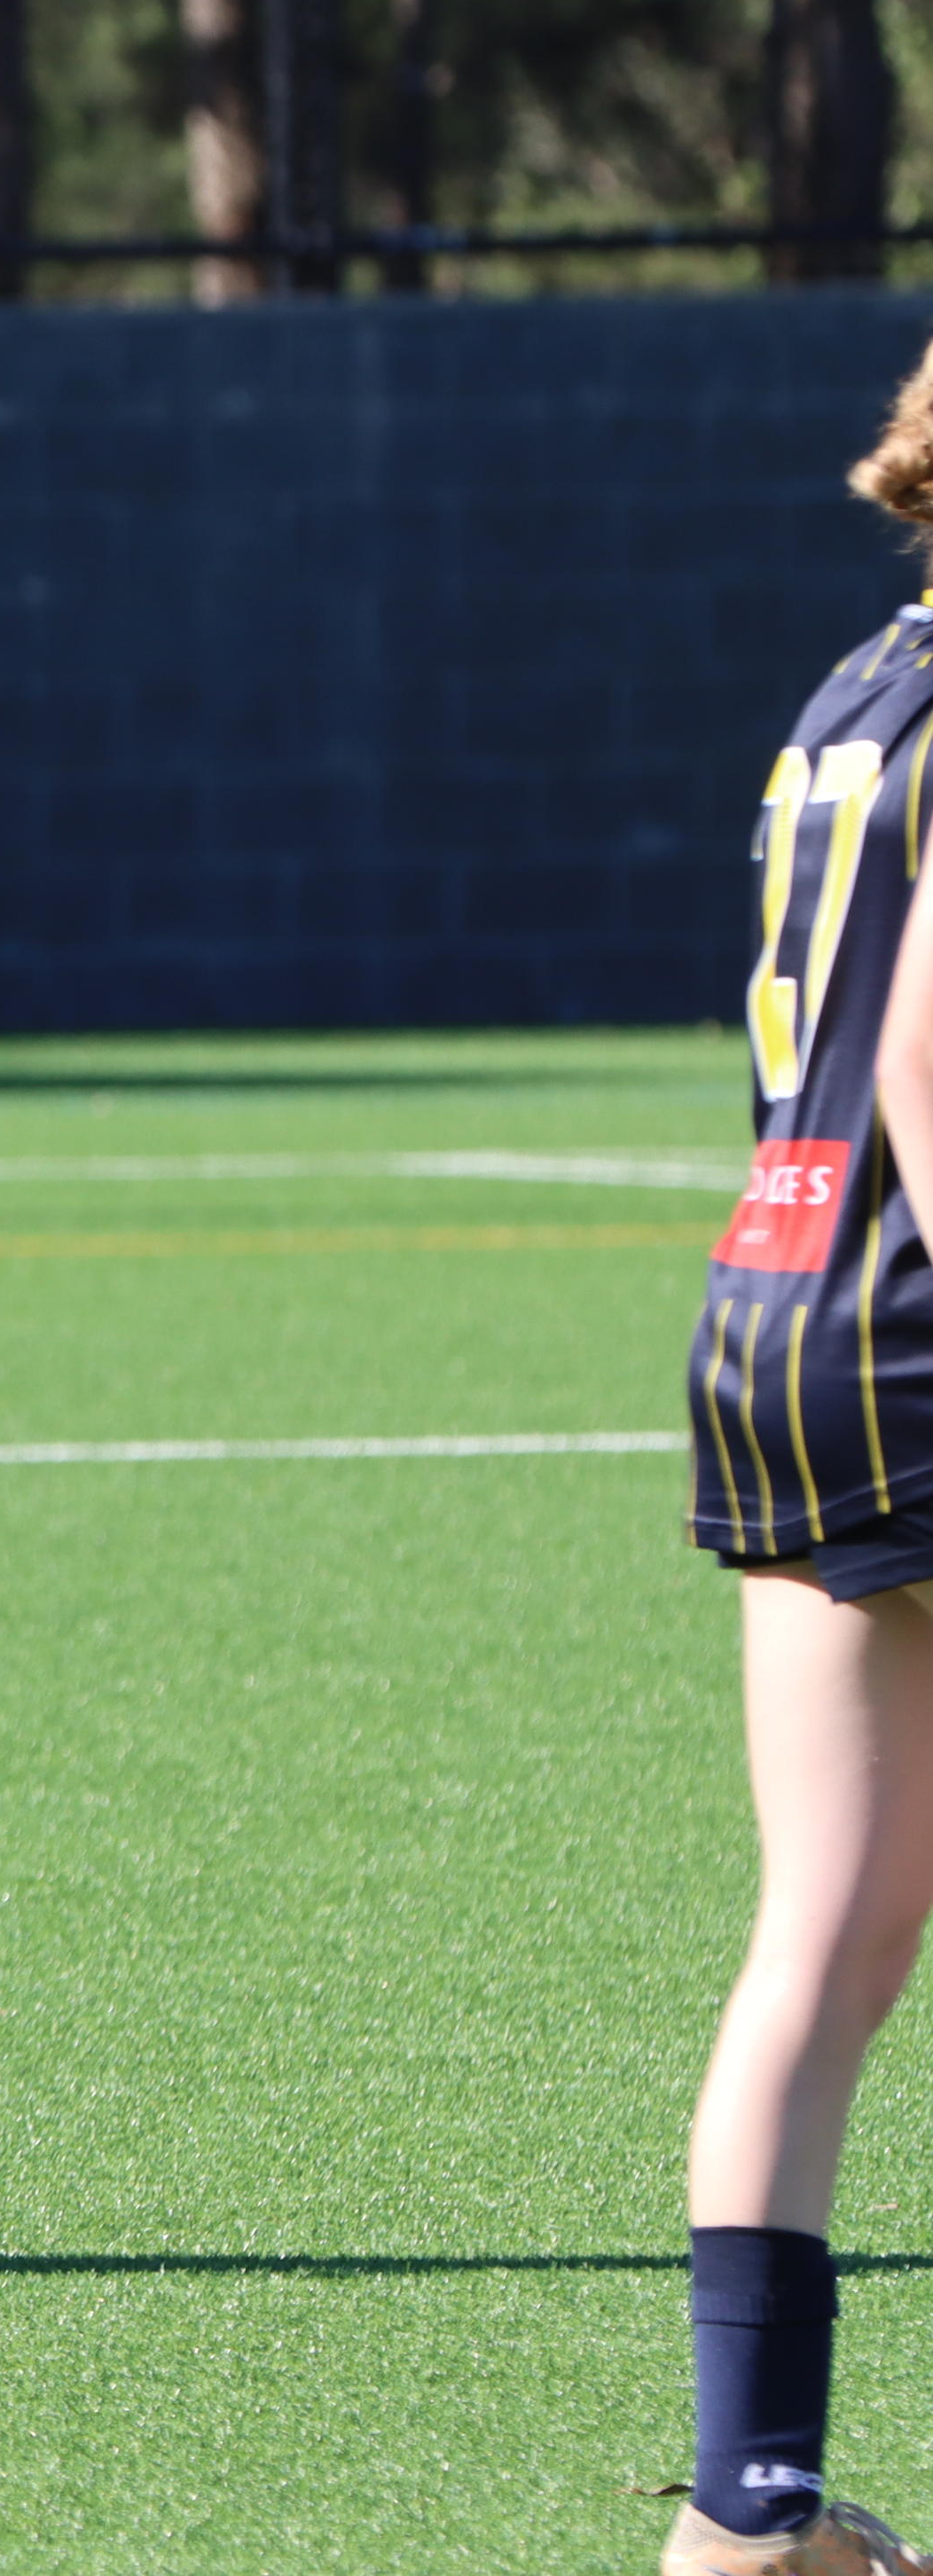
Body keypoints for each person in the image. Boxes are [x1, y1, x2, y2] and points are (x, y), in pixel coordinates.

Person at [673, 347, 933, 2574]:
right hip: (928, 1312)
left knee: (824, 1938)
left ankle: (745, 2504)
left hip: (778, 1308)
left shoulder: (857, 681)